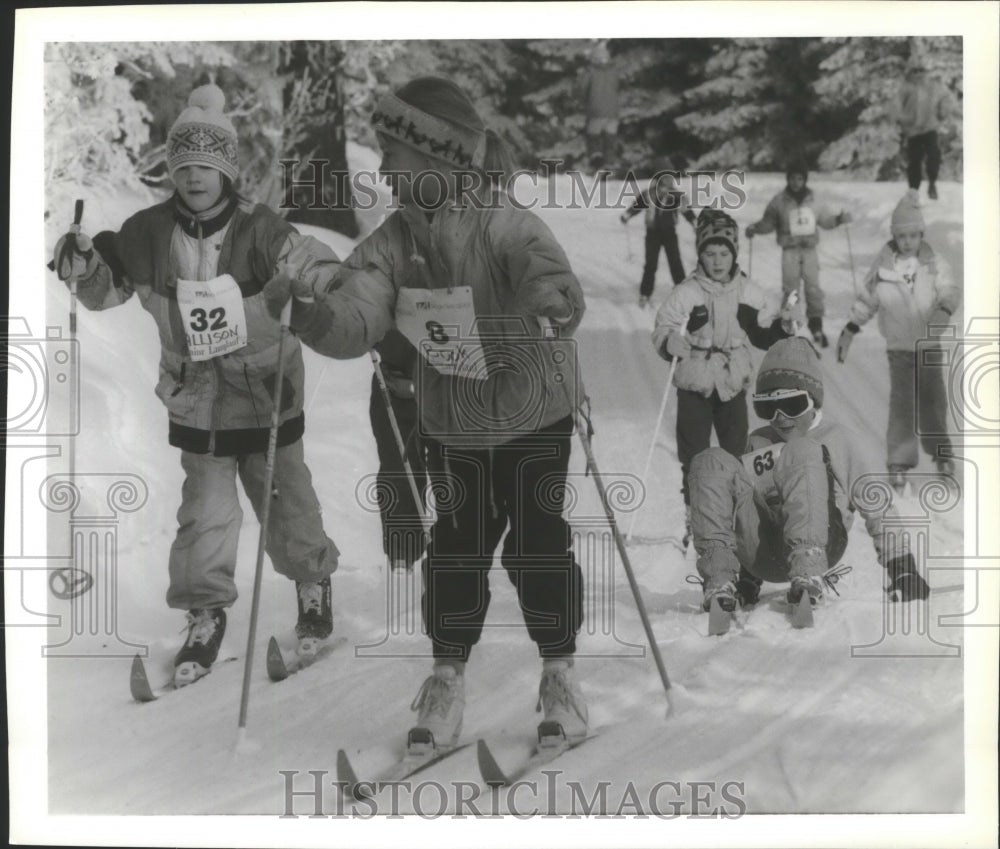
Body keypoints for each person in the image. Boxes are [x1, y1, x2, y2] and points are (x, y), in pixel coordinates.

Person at [263, 76, 589, 747]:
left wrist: (552, 299)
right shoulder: (392, 242)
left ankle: (560, 673)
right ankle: (446, 677)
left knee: (537, 545)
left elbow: (543, 267)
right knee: (456, 550)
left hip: (533, 410)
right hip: (454, 421)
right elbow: (355, 316)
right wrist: (308, 311)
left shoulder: (504, 221)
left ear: (438, 157)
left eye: (393, 154)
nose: (383, 169)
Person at [50, 84, 340, 687]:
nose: (194, 177)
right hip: (198, 398)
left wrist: (328, 282)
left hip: (266, 392)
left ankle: (312, 585)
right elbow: (106, 290)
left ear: (227, 169)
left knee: (286, 501)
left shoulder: (261, 229)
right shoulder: (148, 233)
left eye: (207, 165)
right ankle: (205, 614)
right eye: (184, 166)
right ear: (172, 171)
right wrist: (82, 268)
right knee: (205, 515)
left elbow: (309, 259)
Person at [688, 336, 930, 612]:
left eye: (791, 405)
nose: (780, 417)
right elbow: (747, 508)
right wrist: (748, 580)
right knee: (711, 459)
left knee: (801, 449)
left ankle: (808, 574)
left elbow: (877, 507)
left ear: (813, 402)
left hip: (822, 543)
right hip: (765, 553)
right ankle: (720, 582)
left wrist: (902, 567)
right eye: (767, 407)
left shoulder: (839, 439)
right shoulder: (758, 440)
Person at [651, 210, 796, 546]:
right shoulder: (687, 292)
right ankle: (696, 514)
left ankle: (735, 514)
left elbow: (762, 332)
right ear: (700, 254)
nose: (717, 261)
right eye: (710, 253)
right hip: (695, 380)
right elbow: (664, 326)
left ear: (734, 254)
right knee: (696, 454)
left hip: (731, 380)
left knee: (736, 453)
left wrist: (783, 325)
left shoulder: (748, 291)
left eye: (724, 253)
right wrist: (668, 340)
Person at [836, 192, 960, 492]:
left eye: (913, 235)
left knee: (933, 403)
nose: (907, 241)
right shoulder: (883, 267)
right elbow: (867, 300)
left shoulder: (933, 262)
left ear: (921, 234)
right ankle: (899, 461)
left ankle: (941, 455)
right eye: (901, 236)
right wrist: (850, 328)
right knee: (902, 405)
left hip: (929, 345)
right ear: (894, 236)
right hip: (899, 349)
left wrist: (944, 308)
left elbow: (949, 289)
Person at [745, 164, 852, 348]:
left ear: (805, 180)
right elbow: (769, 222)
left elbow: (825, 220)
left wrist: (838, 219)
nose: (796, 183)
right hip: (790, 251)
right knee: (791, 290)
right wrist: (756, 228)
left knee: (813, 288)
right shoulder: (779, 201)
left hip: (809, 250)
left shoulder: (814, 200)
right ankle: (788, 326)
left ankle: (816, 326)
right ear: (788, 179)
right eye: (793, 178)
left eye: (800, 179)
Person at [369, 329, 428, 570]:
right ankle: (404, 549)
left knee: (459, 470)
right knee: (399, 465)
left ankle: (456, 556)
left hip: (457, 380)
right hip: (396, 380)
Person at [620, 156, 697, 308]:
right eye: (665, 176)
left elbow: (686, 210)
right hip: (652, 233)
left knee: (675, 262)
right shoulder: (649, 194)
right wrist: (627, 215)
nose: (669, 180)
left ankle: (681, 291)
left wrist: (694, 222)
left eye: (671, 176)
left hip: (670, 232)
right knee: (651, 264)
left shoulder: (676, 195)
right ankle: (645, 294)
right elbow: (637, 206)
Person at [898, 55, 953, 201]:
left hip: (929, 128)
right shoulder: (905, 88)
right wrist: (901, 123)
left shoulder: (933, 86)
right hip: (913, 131)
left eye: (921, 70)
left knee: (933, 156)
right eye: (915, 71)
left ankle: (932, 184)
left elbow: (946, 98)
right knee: (915, 161)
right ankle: (914, 191)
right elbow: (896, 107)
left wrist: (942, 113)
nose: (918, 74)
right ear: (910, 71)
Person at [576, 41, 620, 174]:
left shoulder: (590, 72)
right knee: (609, 139)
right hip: (613, 113)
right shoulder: (614, 72)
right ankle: (609, 165)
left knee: (593, 138)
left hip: (595, 111)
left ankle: (596, 165)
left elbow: (582, 89)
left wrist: (583, 102)